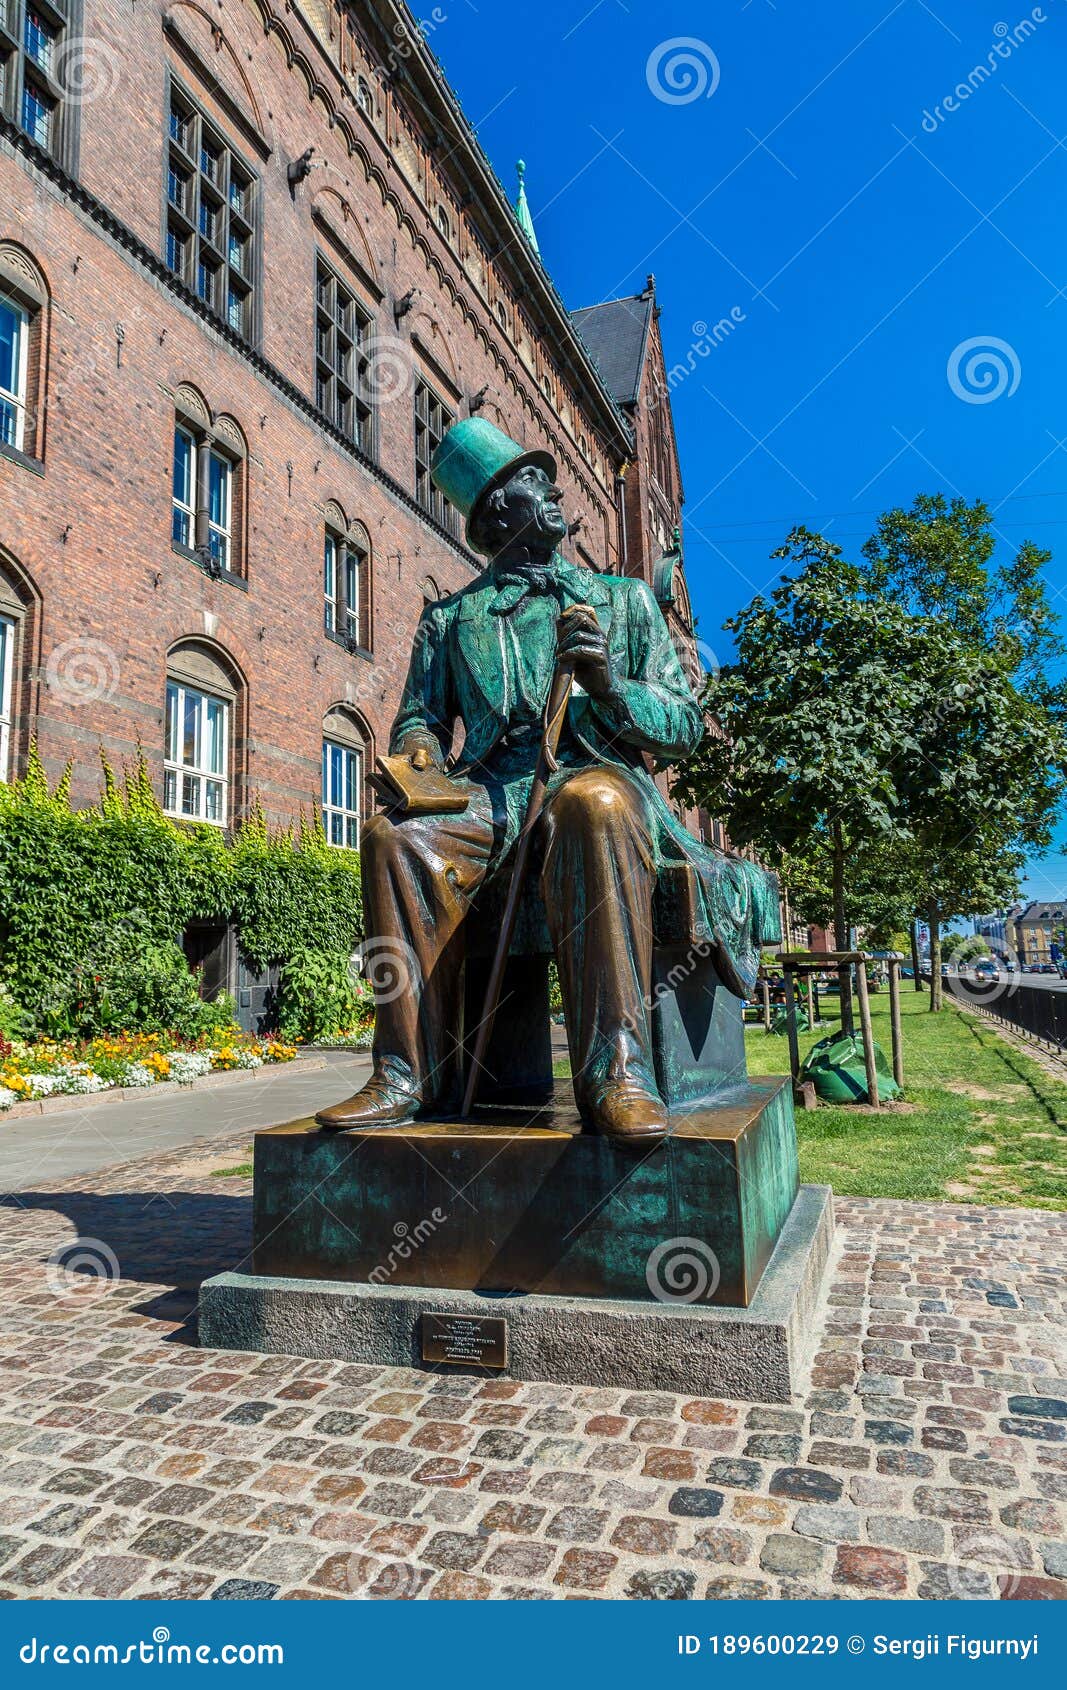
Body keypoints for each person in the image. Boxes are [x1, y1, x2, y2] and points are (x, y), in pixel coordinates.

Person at [316, 419, 779, 1146]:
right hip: (489, 795)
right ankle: (407, 1074)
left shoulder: (623, 601)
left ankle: (616, 1069)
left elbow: (684, 728)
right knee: (393, 839)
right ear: (499, 510)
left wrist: (610, 685)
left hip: (601, 776)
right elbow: (419, 719)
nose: (554, 489)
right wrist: (417, 763)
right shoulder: (449, 618)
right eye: (534, 482)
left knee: (590, 802)